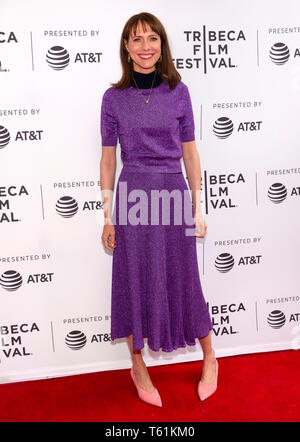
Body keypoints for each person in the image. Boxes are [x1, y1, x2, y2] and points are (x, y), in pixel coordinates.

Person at [100, 12, 218, 407]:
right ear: (126, 48)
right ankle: (137, 367)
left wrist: (198, 206)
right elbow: (107, 160)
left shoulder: (178, 91)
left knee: (184, 277)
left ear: (161, 45)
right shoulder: (113, 98)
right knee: (133, 280)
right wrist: (107, 214)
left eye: (152, 38)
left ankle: (210, 358)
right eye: (137, 39)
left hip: (171, 193)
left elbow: (190, 153)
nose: (145, 46)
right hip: (132, 196)